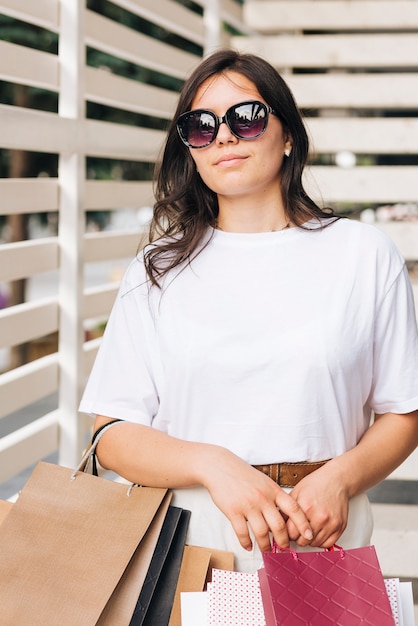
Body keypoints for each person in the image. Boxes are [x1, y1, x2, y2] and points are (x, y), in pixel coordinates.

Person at [79, 49, 418, 573]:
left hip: (326, 538)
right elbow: (113, 434)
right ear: (189, 148)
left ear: (288, 136)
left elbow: (404, 409)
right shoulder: (157, 269)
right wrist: (213, 464)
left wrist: (341, 479)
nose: (224, 136)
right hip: (190, 547)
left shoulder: (362, 254)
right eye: (201, 125)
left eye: (247, 117)